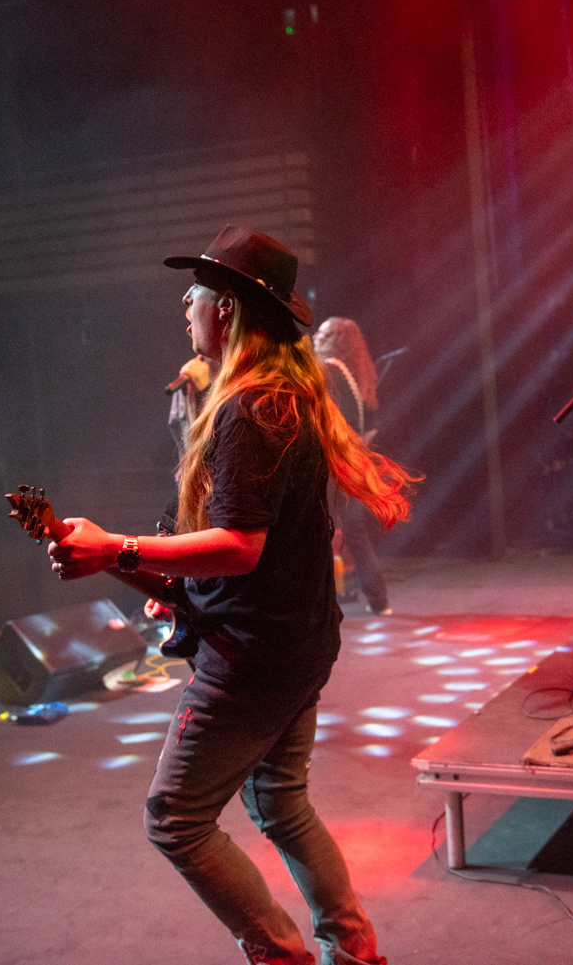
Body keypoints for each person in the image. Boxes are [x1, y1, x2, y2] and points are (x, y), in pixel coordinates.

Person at [46, 225, 414, 965]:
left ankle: (285, 956)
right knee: (280, 801)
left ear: (226, 310)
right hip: (297, 643)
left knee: (175, 818)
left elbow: (240, 547)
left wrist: (117, 547)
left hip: (254, 659)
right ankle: (354, 950)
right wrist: (164, 577)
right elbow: (253, 543)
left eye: (196, 292)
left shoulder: (252, 409)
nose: (183, 303)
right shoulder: (281, 397)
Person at [314, 317, 392, 617]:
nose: (315, 337)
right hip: (351, 464)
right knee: (355, 533)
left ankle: (318, 605)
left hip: (333, 465)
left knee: (317, 529)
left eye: (322, 334)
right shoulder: (355, 375)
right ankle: (379, 600)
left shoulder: (329, 372)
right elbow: (370, 428)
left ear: (335, 341)